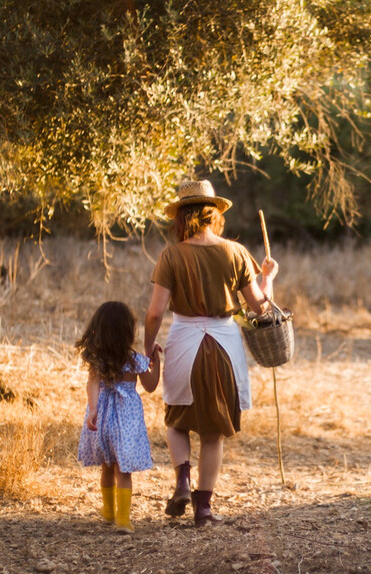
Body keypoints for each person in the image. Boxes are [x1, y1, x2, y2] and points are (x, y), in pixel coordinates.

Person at [144, 179, 277, 527]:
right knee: (213, 431)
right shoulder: (235, 252)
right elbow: (260, 308)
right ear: (213, 213)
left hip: (184, 339)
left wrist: (147, 347)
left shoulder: (171, 255)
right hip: (224, 343)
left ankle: (183, 481)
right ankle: (203, 510)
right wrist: (269, 278)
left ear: (182, 216)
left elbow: (155, 313)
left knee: (176, 419)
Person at [76, 301, 162, 534]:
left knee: (107, 467)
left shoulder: (99, 361)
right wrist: (155, 360)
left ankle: (108, 511)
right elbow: (151, 385)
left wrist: (93, 410)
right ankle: (123, 519)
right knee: (123, 471)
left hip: (103, 420)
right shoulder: (134, 360)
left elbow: (92, 383)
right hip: (125, 422)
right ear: (128, 332)